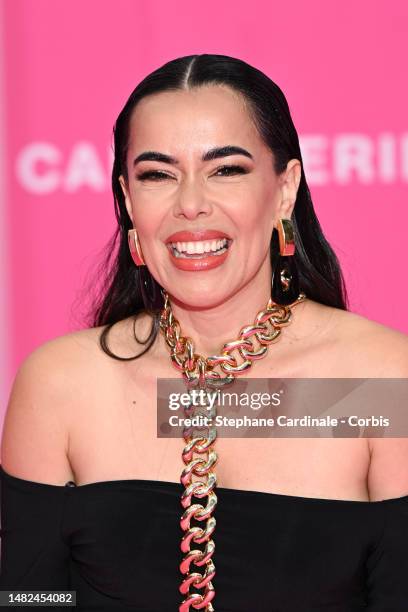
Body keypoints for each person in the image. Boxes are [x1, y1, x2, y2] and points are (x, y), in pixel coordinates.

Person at [1, 53, 408, 612]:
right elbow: (27, 596)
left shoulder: (379, 382)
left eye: (226, 169)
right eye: (157, 175)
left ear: (285, 190)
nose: (190, 204)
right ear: (126, 201)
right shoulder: (63, 384)